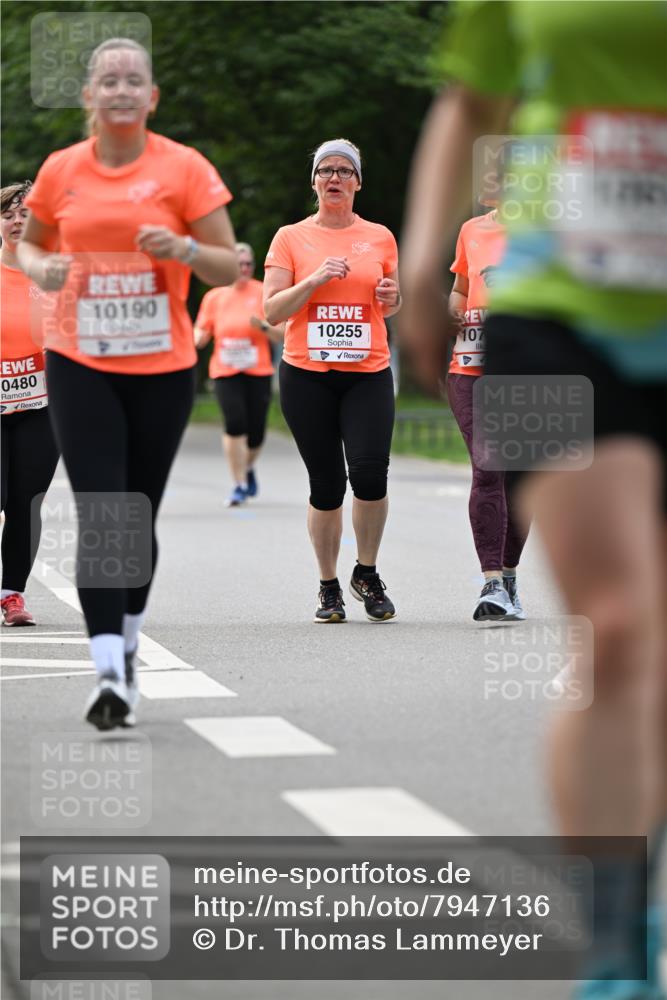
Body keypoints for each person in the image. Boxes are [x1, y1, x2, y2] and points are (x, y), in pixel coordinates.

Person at [400, 2, 666, 996]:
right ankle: (611, 945)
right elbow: (469, 101)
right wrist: (422, 273)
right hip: (555, 316)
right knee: (620, 625)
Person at [17, 37, 238, 729]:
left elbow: (228, 267)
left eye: (131, 80)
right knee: (103, 513)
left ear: (151, 98)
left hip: (162, 366)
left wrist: (185, 250)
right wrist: (40, 267)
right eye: (106, 79)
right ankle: (109, 671)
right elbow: (31, 241)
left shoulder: (185, 169)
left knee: (135, 516)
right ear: (88, 96)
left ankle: (131, 639)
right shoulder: (62, 171)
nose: (118, 89)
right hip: (79, 359)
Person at [263, 139, 401, 623]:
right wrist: (315, 279)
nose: (335, 178)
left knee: (369, 474)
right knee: (326, 484)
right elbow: (273, 309)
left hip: (367, 372)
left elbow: (390, 303)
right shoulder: (290, 238)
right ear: (315, 182)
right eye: (326, 171)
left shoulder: (380, 236)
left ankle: (366, 571)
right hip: (306, 374)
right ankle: (328, 586)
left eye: (345, 171)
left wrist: (391, 295)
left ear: (358, 182)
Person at [447, 197, 529, 621]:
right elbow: (460, 290)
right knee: (489, 465)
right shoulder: (471, 230)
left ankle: (510, 578)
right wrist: (454, 312)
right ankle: (492, 582)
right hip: (470, 366)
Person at [1, 180, 60, 626]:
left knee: (26, 503)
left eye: (27, 214)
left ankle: (11, 594)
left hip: (41, 407)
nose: (18, 221)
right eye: (9, 214)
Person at [194, 242, 284, 507]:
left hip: (257, 369)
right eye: (238, 264)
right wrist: (198, 337)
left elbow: (283, 335)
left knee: (256, 432)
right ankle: (238, 484)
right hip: (225, 369)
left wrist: (264, 327)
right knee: (235, 422)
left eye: (248, 264)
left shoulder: (262, 293)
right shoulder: (215, 297)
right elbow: (200, 331)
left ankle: (246, 468)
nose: (243, 268)